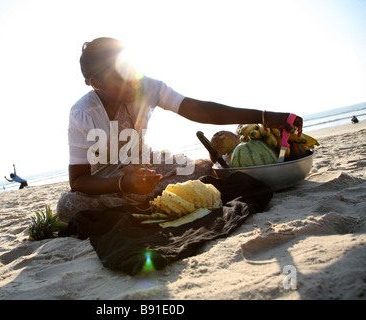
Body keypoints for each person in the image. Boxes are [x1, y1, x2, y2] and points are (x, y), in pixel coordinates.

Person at [56, 37, 303, 222]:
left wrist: (263, 116)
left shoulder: (148, 86)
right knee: (69, 205)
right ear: (97, 83)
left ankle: (149, 197)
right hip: (107, 182)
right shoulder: (83, 114)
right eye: (119, 75)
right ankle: (147, 197)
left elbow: (198, 109)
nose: (132, 78)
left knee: (205, 169)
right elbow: (78, 181)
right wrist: (123, 184)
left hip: (146, 166)